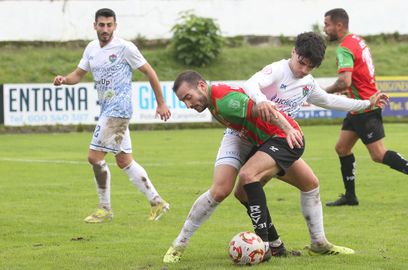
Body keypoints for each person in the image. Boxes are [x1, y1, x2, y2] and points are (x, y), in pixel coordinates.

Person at [163, 32, 388, 263]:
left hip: (274, 136)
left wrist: (365, 104)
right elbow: (251, 84)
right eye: (301, 62)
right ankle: (182, 245)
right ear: (293, 52)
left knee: (309, 184)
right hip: (244, 134)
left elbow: (331, 101)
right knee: (223, 189)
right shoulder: (277, 70)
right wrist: (261, 100)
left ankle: (317, 243)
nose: (302, 70)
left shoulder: (307, 83)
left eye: (309, 67)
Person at [53, 8, 171, 223]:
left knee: (94, 157)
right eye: (101, 25)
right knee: (125, 161)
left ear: (115, 26)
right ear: (95, 26)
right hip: (107, 109)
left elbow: (150, 72)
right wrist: (63, 80)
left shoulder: (125, 48)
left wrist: (161, 102)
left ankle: (105, 208)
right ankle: (157, 202)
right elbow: (78, 75)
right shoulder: (91, 49)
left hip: (119, 110)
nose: (105, 29)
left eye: (109, 25)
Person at [322, 8, 408, 206]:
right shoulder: (358, 40)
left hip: (366, 107)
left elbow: (344, 81)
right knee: (342, 148)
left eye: (327, 25)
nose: (325, 29)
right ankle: (351, 196)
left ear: (339, 25)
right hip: (358, 106)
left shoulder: (344, 48)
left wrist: (324, 92)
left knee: (378, 154)